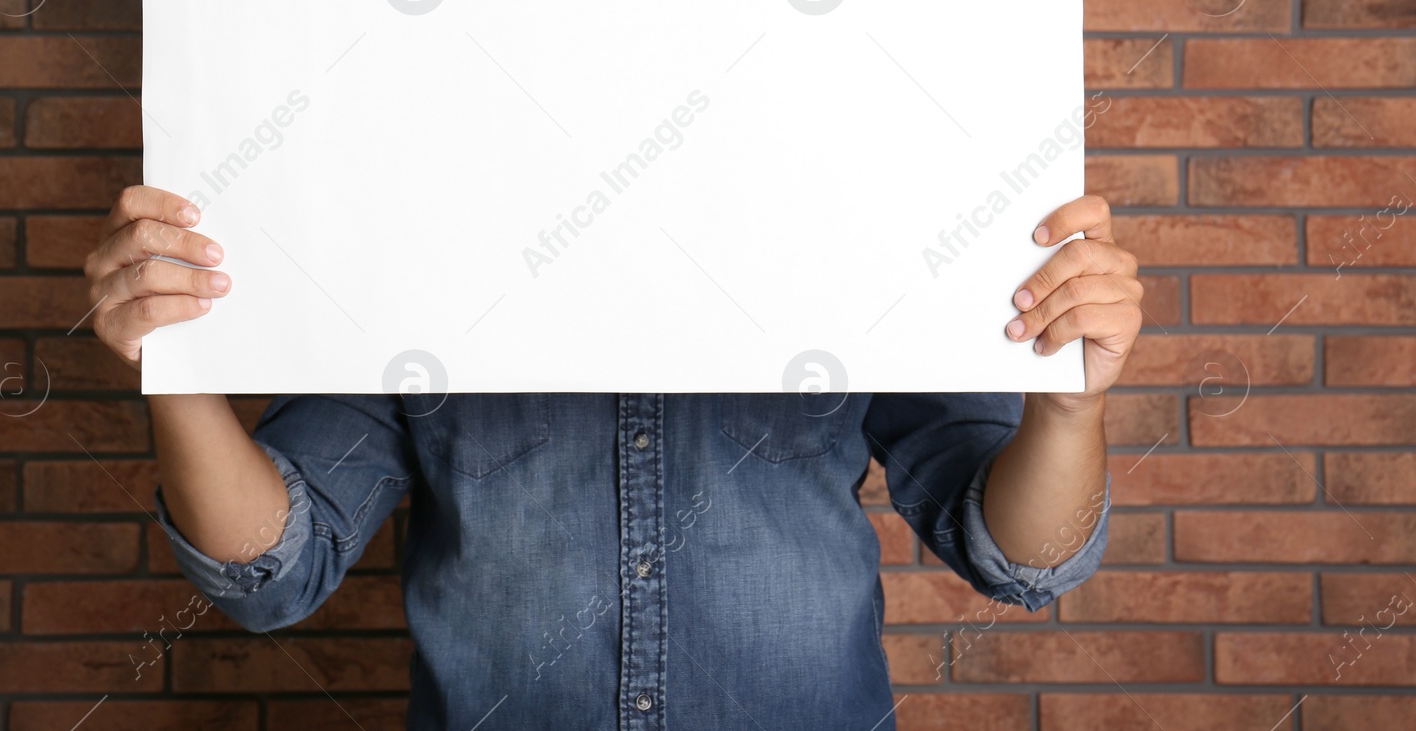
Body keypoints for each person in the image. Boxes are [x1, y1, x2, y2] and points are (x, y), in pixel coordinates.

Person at [87, 185, 1142, 730]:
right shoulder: (413, 245)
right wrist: (176, 366)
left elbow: (1020, 559)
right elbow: (274, 564)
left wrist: (1064, 405)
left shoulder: (854, 214)